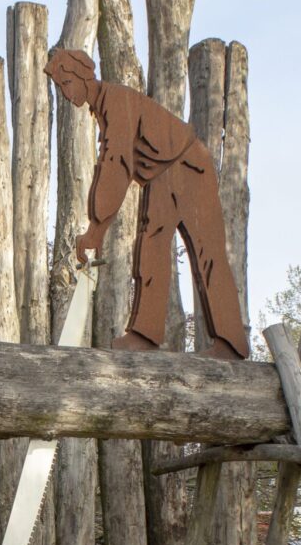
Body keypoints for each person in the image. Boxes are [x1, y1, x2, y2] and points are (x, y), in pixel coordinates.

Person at [45, 47, 250, 360]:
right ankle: (145, 333)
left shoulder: (116, 100)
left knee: (207, 251)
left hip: (188, 165)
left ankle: (231, 342)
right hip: (163, 173)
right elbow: (114, 163)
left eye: (67, 83)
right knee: (151, 246)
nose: (66, 92)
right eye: (61, 87)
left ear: (83, 77)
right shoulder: (103, 107)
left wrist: (96, 230)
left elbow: (117, 162)